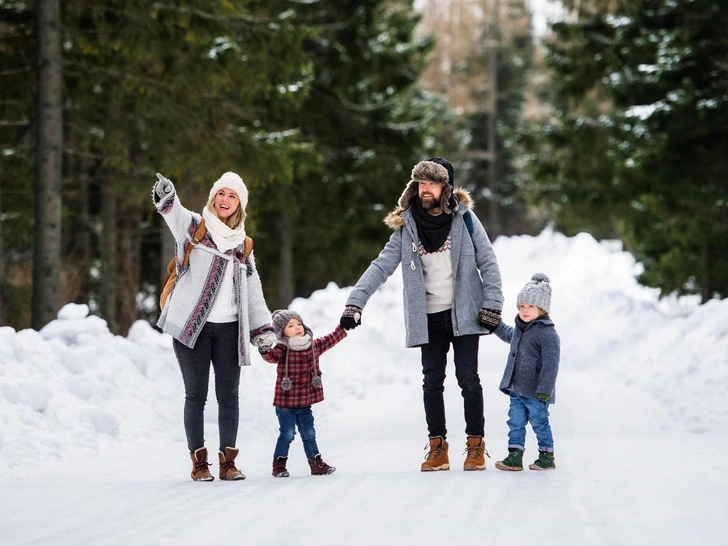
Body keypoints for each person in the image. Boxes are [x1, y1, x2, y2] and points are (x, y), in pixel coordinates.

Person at [339, 158, 504, 472]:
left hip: (466, 313)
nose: (425, 188)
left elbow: (489, 262)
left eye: (432, 182)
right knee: (432, 382)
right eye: (420, 182)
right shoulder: (408, 225)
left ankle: (475, 445)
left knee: (469, 380)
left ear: (446, 187)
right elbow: (381, 266)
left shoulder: (466, 219)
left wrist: (492, 304)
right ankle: (437, 447)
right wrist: (355, 302)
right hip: (428, 317)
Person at [153, 171, 276, 482]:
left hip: (229, 331)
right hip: (191, 328)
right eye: (221, 193)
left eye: (232, 196)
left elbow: (254, 292)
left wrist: (262, 331)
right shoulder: (195, 226)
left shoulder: (243, 246)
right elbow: (173, 213)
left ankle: (228, 463)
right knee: (195, 395)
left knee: (229, 396)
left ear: (239, 205)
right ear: (213, 198)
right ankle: (198, 463)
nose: (225, 200)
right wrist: (168, 195)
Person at [259, 309, 347, 477]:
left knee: (309, 433)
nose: (297, 327)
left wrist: (343, 327)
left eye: (299, 323)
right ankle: (279, 465)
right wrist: (264, 350)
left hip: (304, 403)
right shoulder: (283, 349)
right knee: (288, 433)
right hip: (285, 404)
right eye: (290, 325)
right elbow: (272, 356)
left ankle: (316, 463)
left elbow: (330, 339)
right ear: (282, 332)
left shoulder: (312, 345)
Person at [493, 273, 560, 471]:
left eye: (530, 306)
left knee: (539, 422)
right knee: (515, 421)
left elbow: (551, 364)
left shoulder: (548, 334)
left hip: (537, 392)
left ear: (542, 308)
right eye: (522, 306)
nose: (525, 310)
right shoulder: (520, 330)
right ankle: (514, 455)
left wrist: (545, 390)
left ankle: (547, 456)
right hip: (516, 389)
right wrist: (494, 323)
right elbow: (508, 334)